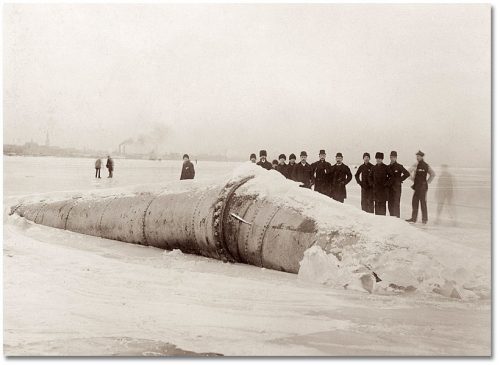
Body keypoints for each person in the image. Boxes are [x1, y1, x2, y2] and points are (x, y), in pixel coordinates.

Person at [406, 150, 435, 224]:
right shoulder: (416, 164)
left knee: (423, 203)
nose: (417, 157)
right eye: (417, 156)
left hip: (423, 187)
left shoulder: (426, 165)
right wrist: (413, 179)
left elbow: (433, 174)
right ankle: (413, 218)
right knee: (414, 202)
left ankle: (424, 219)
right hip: (417, 186)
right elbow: (408, 172)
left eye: (418, 156)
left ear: (422, 157)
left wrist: (427, 182)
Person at [387, 151, 410, 218]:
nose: (392, 158)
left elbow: (407, 174)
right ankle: (392, 219)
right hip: (389, 188)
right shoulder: (387, 167)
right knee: (390, 204)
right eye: (391, 157)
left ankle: (397, 220)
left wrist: (399, 180)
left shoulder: (399, 166)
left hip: (397, 188)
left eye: (394, 157)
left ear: (396, 158)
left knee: (396, 204)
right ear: (390, 157)